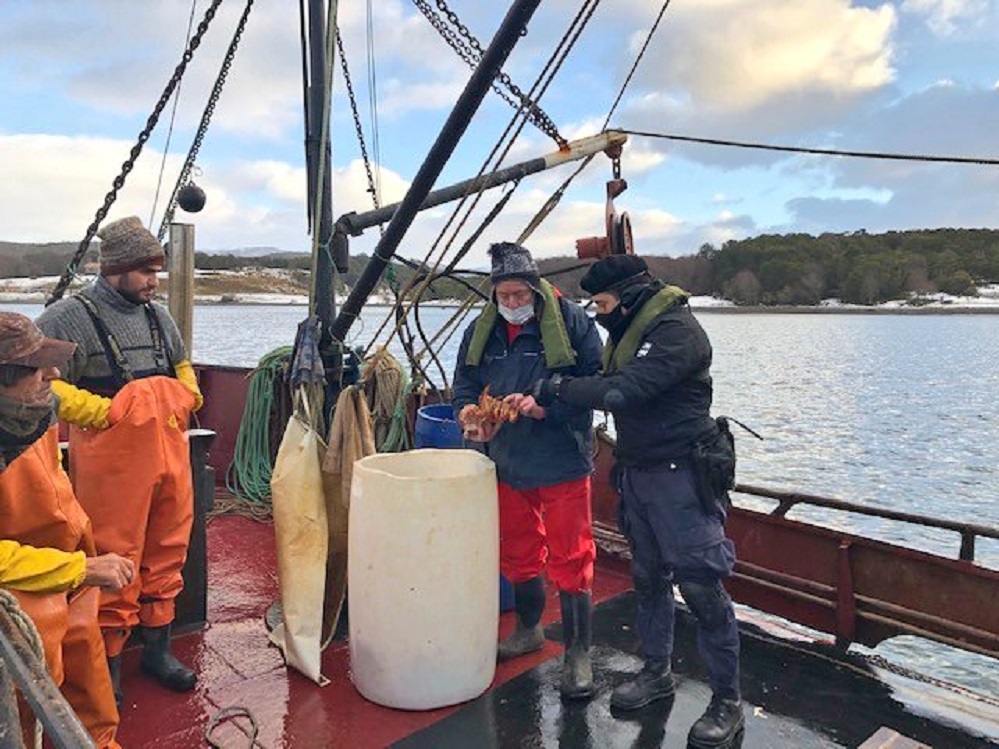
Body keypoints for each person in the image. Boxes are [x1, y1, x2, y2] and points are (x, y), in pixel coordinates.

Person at [527, 254, 744, 748]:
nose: (599, 314)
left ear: (627, 297)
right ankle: (656, 671)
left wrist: (558, 387)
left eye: (602, 304)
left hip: (682, 478)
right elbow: (608, 385)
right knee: (649, 578)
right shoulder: (630, 330)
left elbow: (626, 392)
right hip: (640, 474)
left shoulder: (678, 333)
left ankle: (728, 702)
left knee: (702, 588)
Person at [36, 216, 204, 701]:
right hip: (111, 459)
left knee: (168, 546)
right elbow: (41, 378)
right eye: (146, 271)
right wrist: (97, 410)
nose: (154, 281)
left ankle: (156, 650)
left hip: (170, 447)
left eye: (158, 270)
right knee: (113, 555)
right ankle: (105, 662)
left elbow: (181, 363)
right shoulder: (69, 316)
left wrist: (188, 391)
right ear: (117, 268)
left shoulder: (157, 315)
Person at [452, 241, 603, 699]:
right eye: (505, 296)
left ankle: (578, 653)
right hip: (508, 460)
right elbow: (464, 385)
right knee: (518, 551)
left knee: (571, 557)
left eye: (521, 294)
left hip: (560, 458)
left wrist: (545, 406)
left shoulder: (573, 324)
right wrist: (470, 418)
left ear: (536, 290)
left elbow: (594, 385)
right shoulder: (482, 331)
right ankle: (528, 631)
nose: (513, 304)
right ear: (494, 294)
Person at [0, 311, 134, 748]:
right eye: (38, 368)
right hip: (26, 583)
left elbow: (76, 400)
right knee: (28, 691)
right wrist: (81, 569)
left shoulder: (35, 404)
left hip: (71, 567)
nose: (53, 374)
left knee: (88, 672)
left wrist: (126, 411)